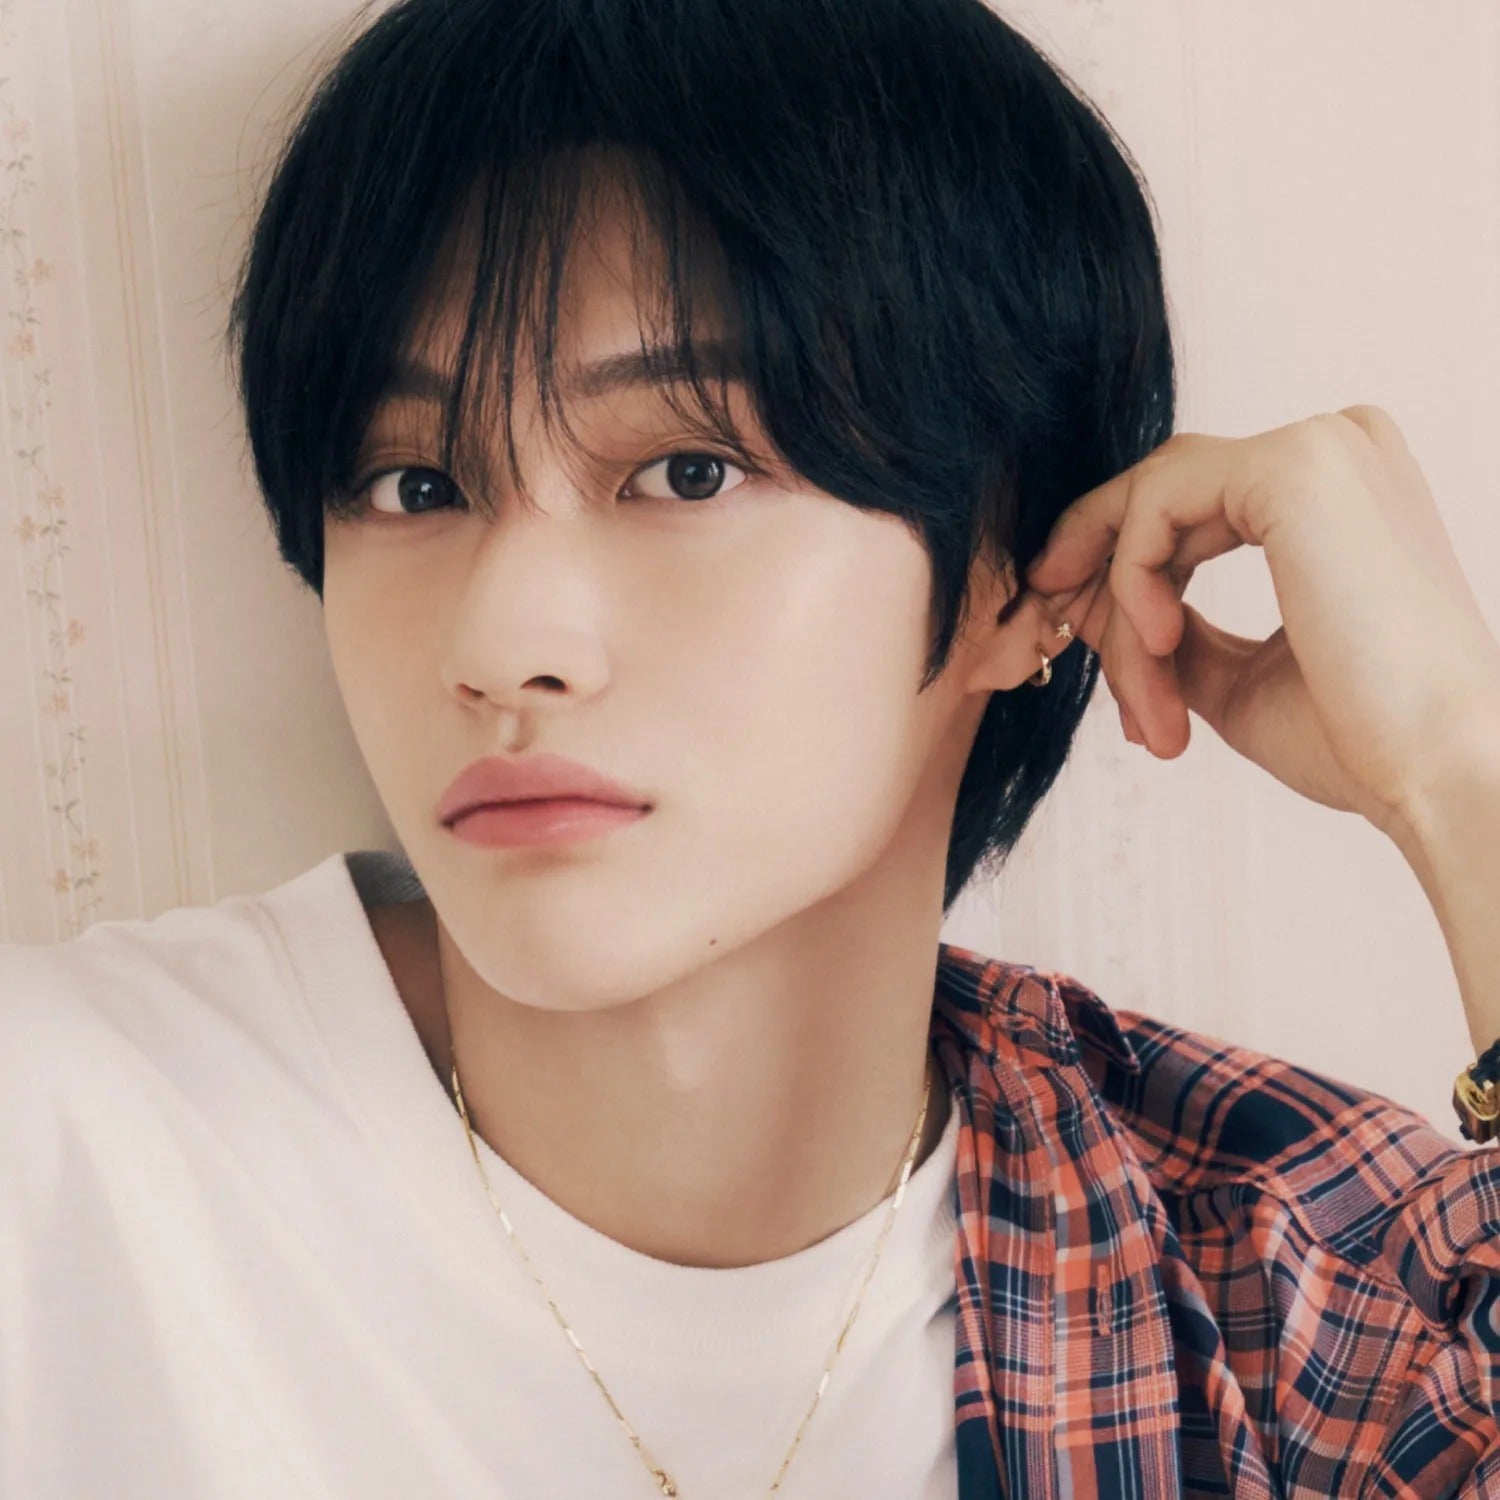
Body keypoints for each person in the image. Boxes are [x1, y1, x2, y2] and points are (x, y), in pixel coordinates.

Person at [3, 0, 1499, 1495]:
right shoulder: (64, 1151)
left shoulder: (1279, 1288)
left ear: (1020, 570)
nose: (501, 645)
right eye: (413, 485)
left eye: (685, 471)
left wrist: (1464, 774)